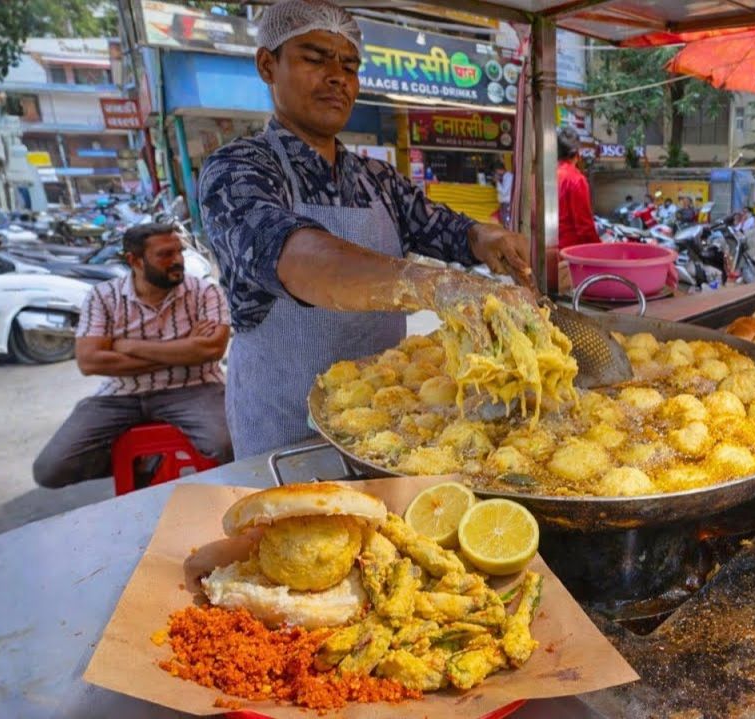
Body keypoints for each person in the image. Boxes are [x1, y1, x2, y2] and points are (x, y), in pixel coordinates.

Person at [197, 0, 535, 457]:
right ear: (267, 65)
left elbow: (439, 227)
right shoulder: (237, 170)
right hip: (285, 427)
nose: (337, 76)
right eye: (315, 59)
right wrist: (433, 285)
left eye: (350, 65)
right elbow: (295, 256)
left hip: (387, 426)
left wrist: (482, 237)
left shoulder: (375, 178)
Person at [32, 223, 233, 488]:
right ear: (134, 260)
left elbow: (210, 350)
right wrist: (184, 347)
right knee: (51, 469)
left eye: (179, 252)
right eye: (165, 254)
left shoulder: (204, 292)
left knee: (227, 445)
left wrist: (126, 345)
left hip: (194, 388)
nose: (177, 261)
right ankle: (144, 461)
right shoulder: (103, 297)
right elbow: (90, 361)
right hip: (121, 395)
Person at [556, 126, 601, 250]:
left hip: (549, 249)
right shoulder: (576, 179)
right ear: (577, 153)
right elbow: (584, 228)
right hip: (571, 252)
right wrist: (600, 250)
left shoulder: (547, 175)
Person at [494, 164, 514, 229]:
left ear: (501, 170)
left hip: (507, 202)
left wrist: (497, 181)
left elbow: (504, 191)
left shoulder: (508, 177)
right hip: (504, 203)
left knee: (506, 221)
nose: (496, 174)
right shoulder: (505, 177)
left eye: (497, 172)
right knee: (503, 221)